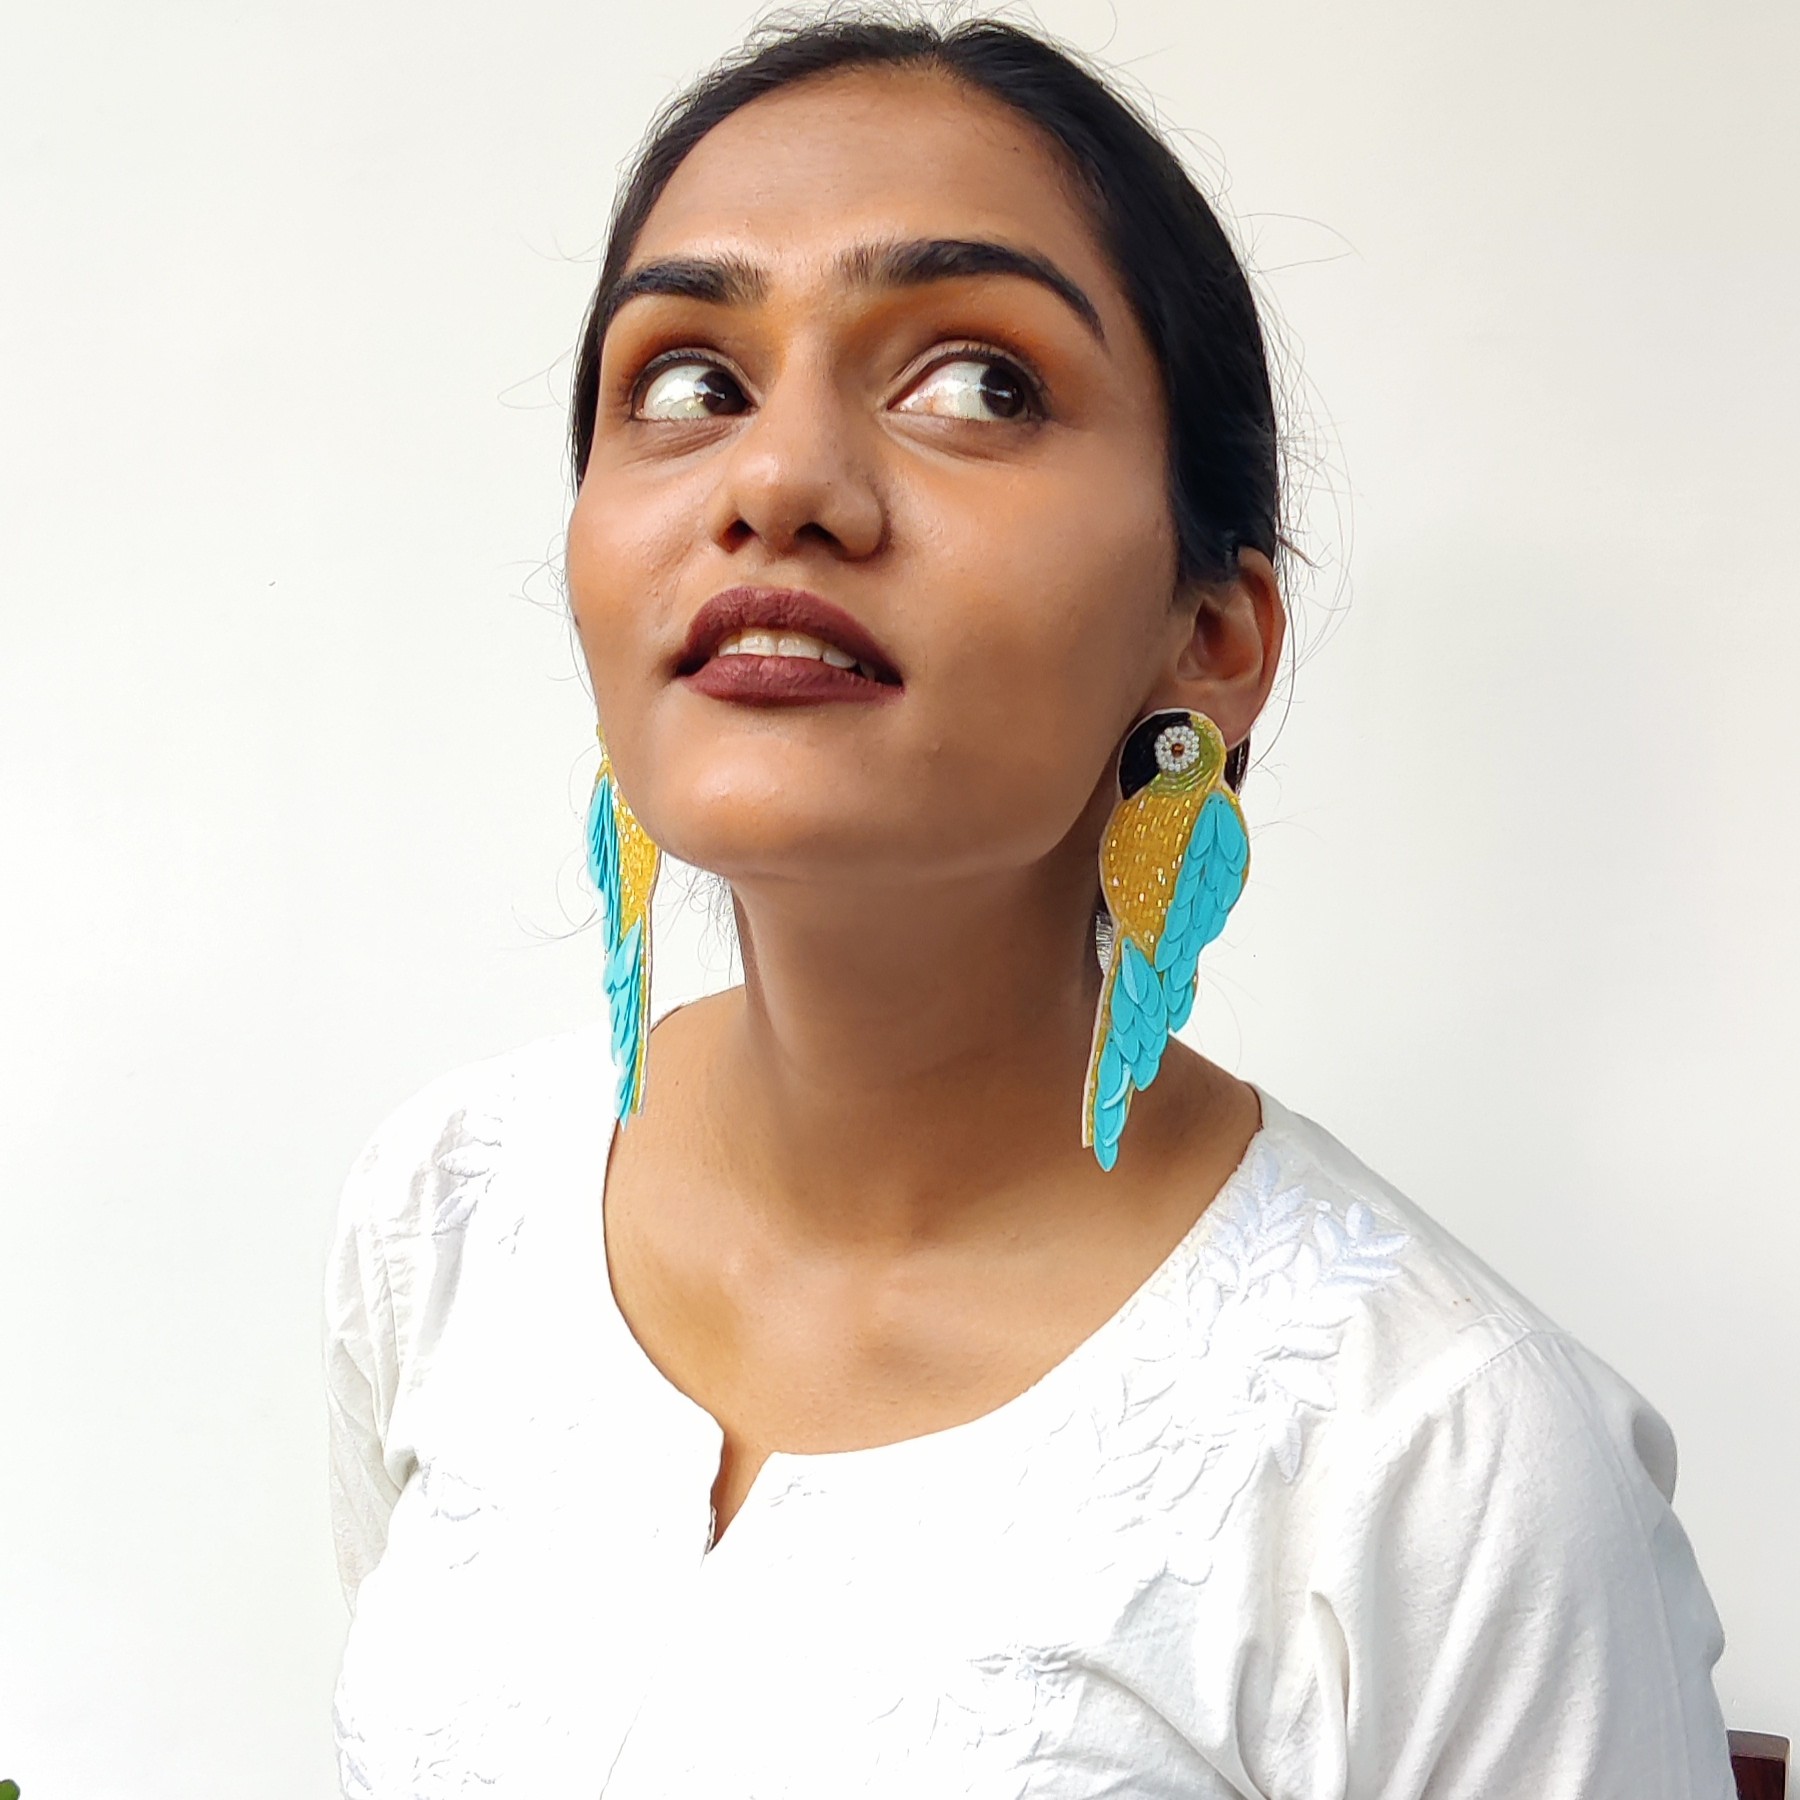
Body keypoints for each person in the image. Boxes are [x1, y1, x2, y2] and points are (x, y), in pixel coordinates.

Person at [322, 15, 1737, 1797]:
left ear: (1211, 639)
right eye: (689, 381)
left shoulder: (1441, 1465)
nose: (774, 485)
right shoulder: (448, 1217)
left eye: (980, 383)